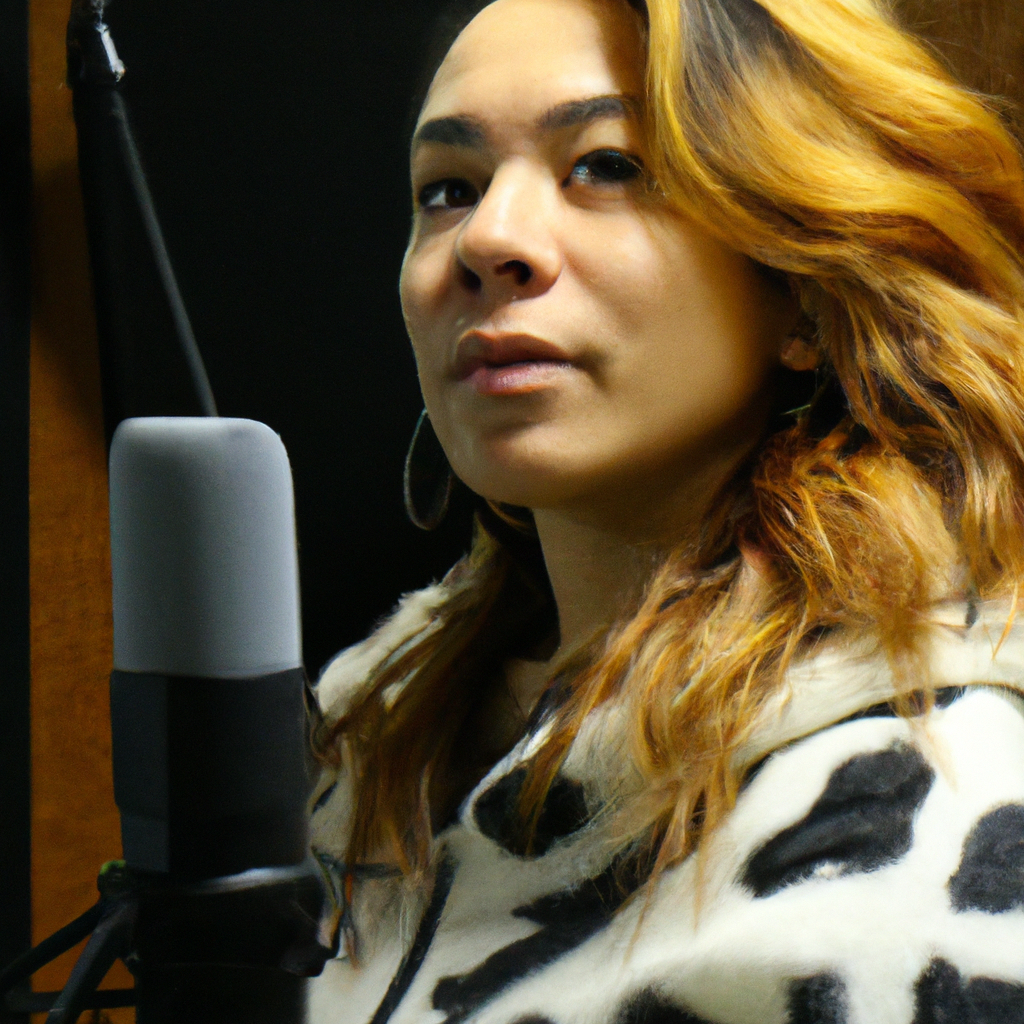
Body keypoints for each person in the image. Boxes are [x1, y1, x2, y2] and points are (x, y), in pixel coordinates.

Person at [307, 0, 1024, 1021]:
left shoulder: (912, 823)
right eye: (448, 189)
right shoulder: (362, 747)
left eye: (605, 165)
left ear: (802, 288)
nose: (488, 239)